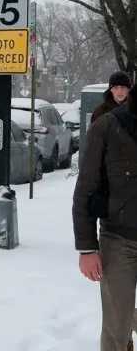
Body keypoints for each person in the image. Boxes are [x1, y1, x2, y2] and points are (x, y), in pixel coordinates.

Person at [74, 82, 137, 350]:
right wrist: (87, 248)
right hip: (118, 240)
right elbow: (85, 190)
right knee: (116, 325)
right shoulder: (107, 126)